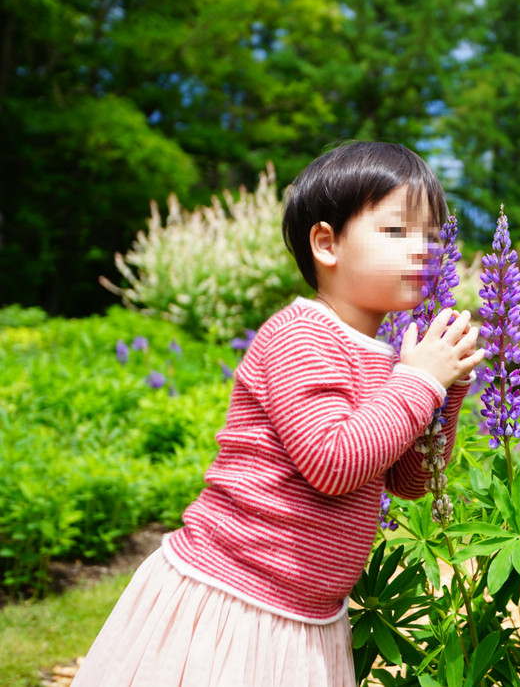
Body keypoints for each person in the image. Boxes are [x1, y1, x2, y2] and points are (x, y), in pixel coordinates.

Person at [72, 142, 485, 687]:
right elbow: (335, 462)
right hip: (233, 598)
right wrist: (421, 381)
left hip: (306, 617)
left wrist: (445, 391)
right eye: (396, 232)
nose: (423, 251)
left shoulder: (391, 360)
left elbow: (411, 481)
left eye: (431, 237)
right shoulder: (300, 334)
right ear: (326, 243)